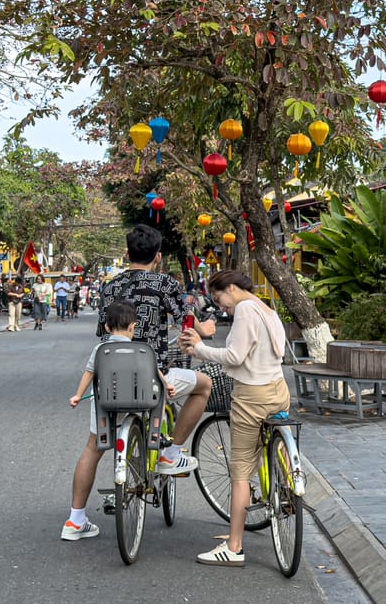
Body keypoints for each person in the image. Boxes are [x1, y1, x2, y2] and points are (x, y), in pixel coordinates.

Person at [180, 269, 291, 567]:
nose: (222, 307)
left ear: (231, 288)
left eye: (219, 299)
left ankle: (234, 547)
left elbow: (235, 356)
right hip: (279, 390)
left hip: (251, 395)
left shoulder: (243, 309)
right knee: (275, 445)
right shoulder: (266, 307)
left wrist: (200, 350)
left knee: (240, 470)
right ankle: (290, 484)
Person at [96, 223, 208, 477]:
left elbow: (102, 332)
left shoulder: (110, 286)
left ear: (127, 254)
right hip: (153, 379)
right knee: (204, 385)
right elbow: (185, 321)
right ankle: (171, 454)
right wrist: (207, 330)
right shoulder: (163, 283)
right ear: (158, 256)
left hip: (111, 380)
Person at [60, 298, 175, 541]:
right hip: (139, 403)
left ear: (108, 328)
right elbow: (158, 375)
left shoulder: (101, 350)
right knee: (157, 407)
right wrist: (169, 385)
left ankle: (75, 519)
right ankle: (160, 442)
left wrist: (78, 395)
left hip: (106, 407)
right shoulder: (144, 350)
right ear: (133, 326)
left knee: (91, 449)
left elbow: (89, 373)